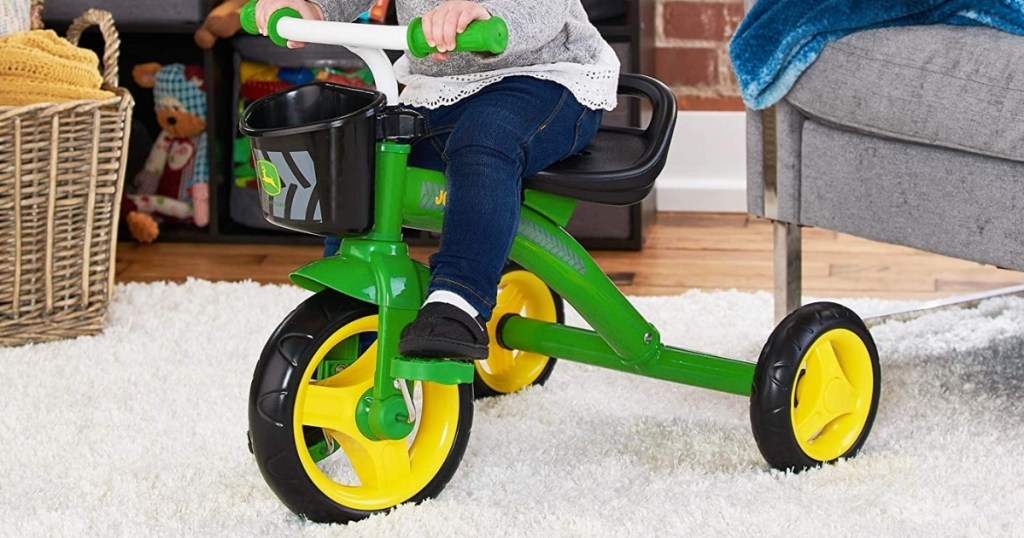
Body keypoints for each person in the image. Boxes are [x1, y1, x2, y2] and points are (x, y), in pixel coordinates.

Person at [255, 0, 619, 360]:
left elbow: (541, 10)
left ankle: (459, 300)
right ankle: (352, 306)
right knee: (367, 159)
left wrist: (489, 14)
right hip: (438, 88)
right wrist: (315, 7)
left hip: (545, 79)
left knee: (485, 140)